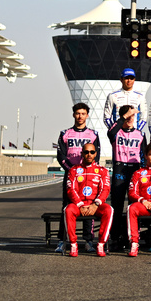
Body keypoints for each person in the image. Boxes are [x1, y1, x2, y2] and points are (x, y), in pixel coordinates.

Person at [55, 103, 101, 250]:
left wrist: (86, 170)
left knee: (88, 205)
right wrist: (72, 170)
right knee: (67, 207)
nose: (80, 116)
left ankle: (88, 241)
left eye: (83, 113)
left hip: (88, 176)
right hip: (71, 175)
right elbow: (60, 155)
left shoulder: (93, 134)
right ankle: (63, 240)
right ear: (73, 114)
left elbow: (96, 155)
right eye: (77, 113)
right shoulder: (65, 133)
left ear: (87, 115)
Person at [106, 104, 147, 249]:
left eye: (132, 116)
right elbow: (110, 132)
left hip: (135, 170)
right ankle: (115, 237)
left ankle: (133, 237)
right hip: (119, 169)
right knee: (116, 205)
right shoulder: (116, 133)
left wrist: (143, 173)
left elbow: (144, 155)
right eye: (127, 116)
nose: (130, 119)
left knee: (133, 206)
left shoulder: (140, 134)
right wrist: (124, 115)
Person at [63, 145, 113, 257]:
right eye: (86, 152)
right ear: (82, 153)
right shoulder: (74, 170)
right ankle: (73, 244)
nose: (89, 154)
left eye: (91, 152)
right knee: (68, 210)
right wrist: (80, 205)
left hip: (95, 205)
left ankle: (101, 244)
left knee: (109, 210)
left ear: (95, 153)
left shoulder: (102, 171)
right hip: (79, 204)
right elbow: (71, 189)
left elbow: (105, 189)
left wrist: (95, 204)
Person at [104, 67, 147, 135]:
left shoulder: (140, 96)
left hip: (134, 132)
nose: (129, 81)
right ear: (121, 80)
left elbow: (144, 117)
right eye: (126, 78)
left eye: (131, 78)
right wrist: (114, 131)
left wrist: (137, 131)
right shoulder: (112, 96)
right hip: (118, 133)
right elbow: (106, 117)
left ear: (134, 80)